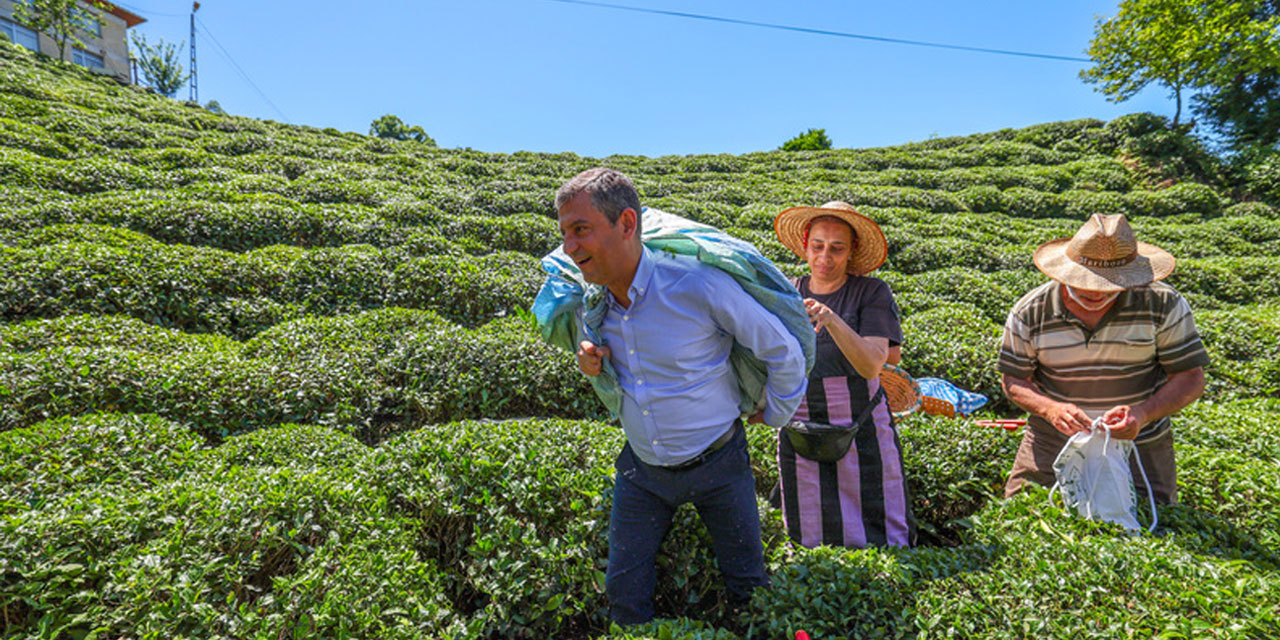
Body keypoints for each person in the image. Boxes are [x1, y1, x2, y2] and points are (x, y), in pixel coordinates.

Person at [558, 168, 807, 624]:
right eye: (564, 234)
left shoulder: (697, 285)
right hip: (642, 472)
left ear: (627, 224)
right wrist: (589, 363)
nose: (569, 247)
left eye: (580, 230)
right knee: (624, 595)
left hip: (720, 465)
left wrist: (776, 413)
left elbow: (783, 350)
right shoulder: (591, 304)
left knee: (748, 588)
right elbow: (604, 366)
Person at [998, 213, 1209, 504]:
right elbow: (1013, 379)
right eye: (1086, 281)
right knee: (1023, 513)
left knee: (1153, 522)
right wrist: (1051, 409)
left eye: (1109, 283)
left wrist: (1143, 413)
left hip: (1140, 444)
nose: (1095, 292)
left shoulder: (1163, 304)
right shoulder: (1031, 310)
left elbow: (1190, 377)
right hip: (1052, 441)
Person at [771, 201, 916, 548]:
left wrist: (831, 319)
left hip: (861, 418)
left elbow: (871, 365)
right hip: (801, 421)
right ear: (805, 246)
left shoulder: (871, 292)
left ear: (851, 252)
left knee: (879, 514)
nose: (825, 257)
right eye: (817, 246)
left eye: (837, 248)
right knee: (807, 521)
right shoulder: (787, 291)